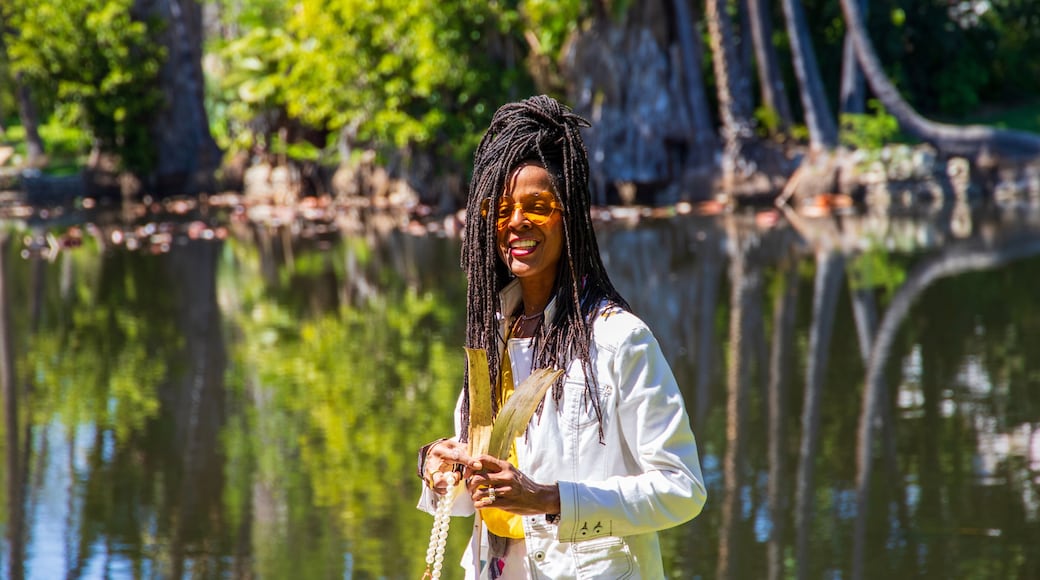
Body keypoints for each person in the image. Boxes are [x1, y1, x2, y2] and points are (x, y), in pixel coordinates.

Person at [417, 94, 706, 579]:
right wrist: (439, 465)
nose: (516, 223)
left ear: (569, 216)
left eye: (537, 207)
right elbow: (477, 494)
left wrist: (550, 499)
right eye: (502, 209)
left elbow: (683, 489)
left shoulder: (618, 340)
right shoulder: (491, 336)